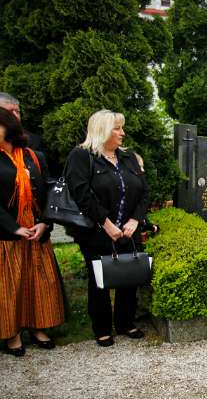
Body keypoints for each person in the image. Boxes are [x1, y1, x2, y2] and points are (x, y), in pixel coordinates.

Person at [65, 109, 149, 347]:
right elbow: (82, 194)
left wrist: (135, 220)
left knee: (129, 276)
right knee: (99, 279)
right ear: (102, 130)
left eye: (122, 128)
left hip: (129, 229)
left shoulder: (128, 157)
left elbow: (144, 191)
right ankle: (102, 327)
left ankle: (125, 322)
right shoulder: (81, 156)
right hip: (96, 230)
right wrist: (106, 223)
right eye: (117, 128)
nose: (122, 133)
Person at [0, 107, 64, 356]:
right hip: (8, 236)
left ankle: (39, 327)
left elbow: (49, 193)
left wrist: (45, 223)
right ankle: (12, 334)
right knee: (11, 287)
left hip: (36, 232)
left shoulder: (33, 156)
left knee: (39, 284)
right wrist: (14, 228)